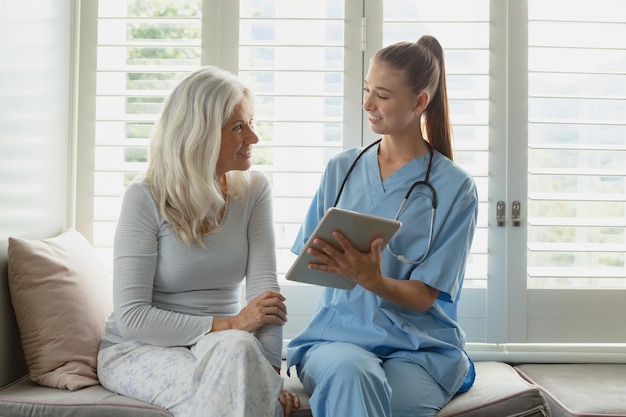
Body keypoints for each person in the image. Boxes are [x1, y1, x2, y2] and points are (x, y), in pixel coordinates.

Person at [286, 35, 478, 417]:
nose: (368, 104)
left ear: (420, 101)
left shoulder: (455, 187)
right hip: (339, 339)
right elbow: (311, 258)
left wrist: (374, 280)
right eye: (367, 90)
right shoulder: (341, 169)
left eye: (383, 96)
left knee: (381, 401)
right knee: (351, 373)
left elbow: (425, 296)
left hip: (419, 348)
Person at [97, 65, 300, 417]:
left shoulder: (254, 191)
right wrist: (233, 324)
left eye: (251, 122)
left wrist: (267, 375)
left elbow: (264, 297)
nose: (253, 137)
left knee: (238, 356)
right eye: (239, 127)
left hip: (225, 347)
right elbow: (132, 317)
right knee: (229, 382)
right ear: (200, 135)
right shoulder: (145, 197)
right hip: (141, 347)